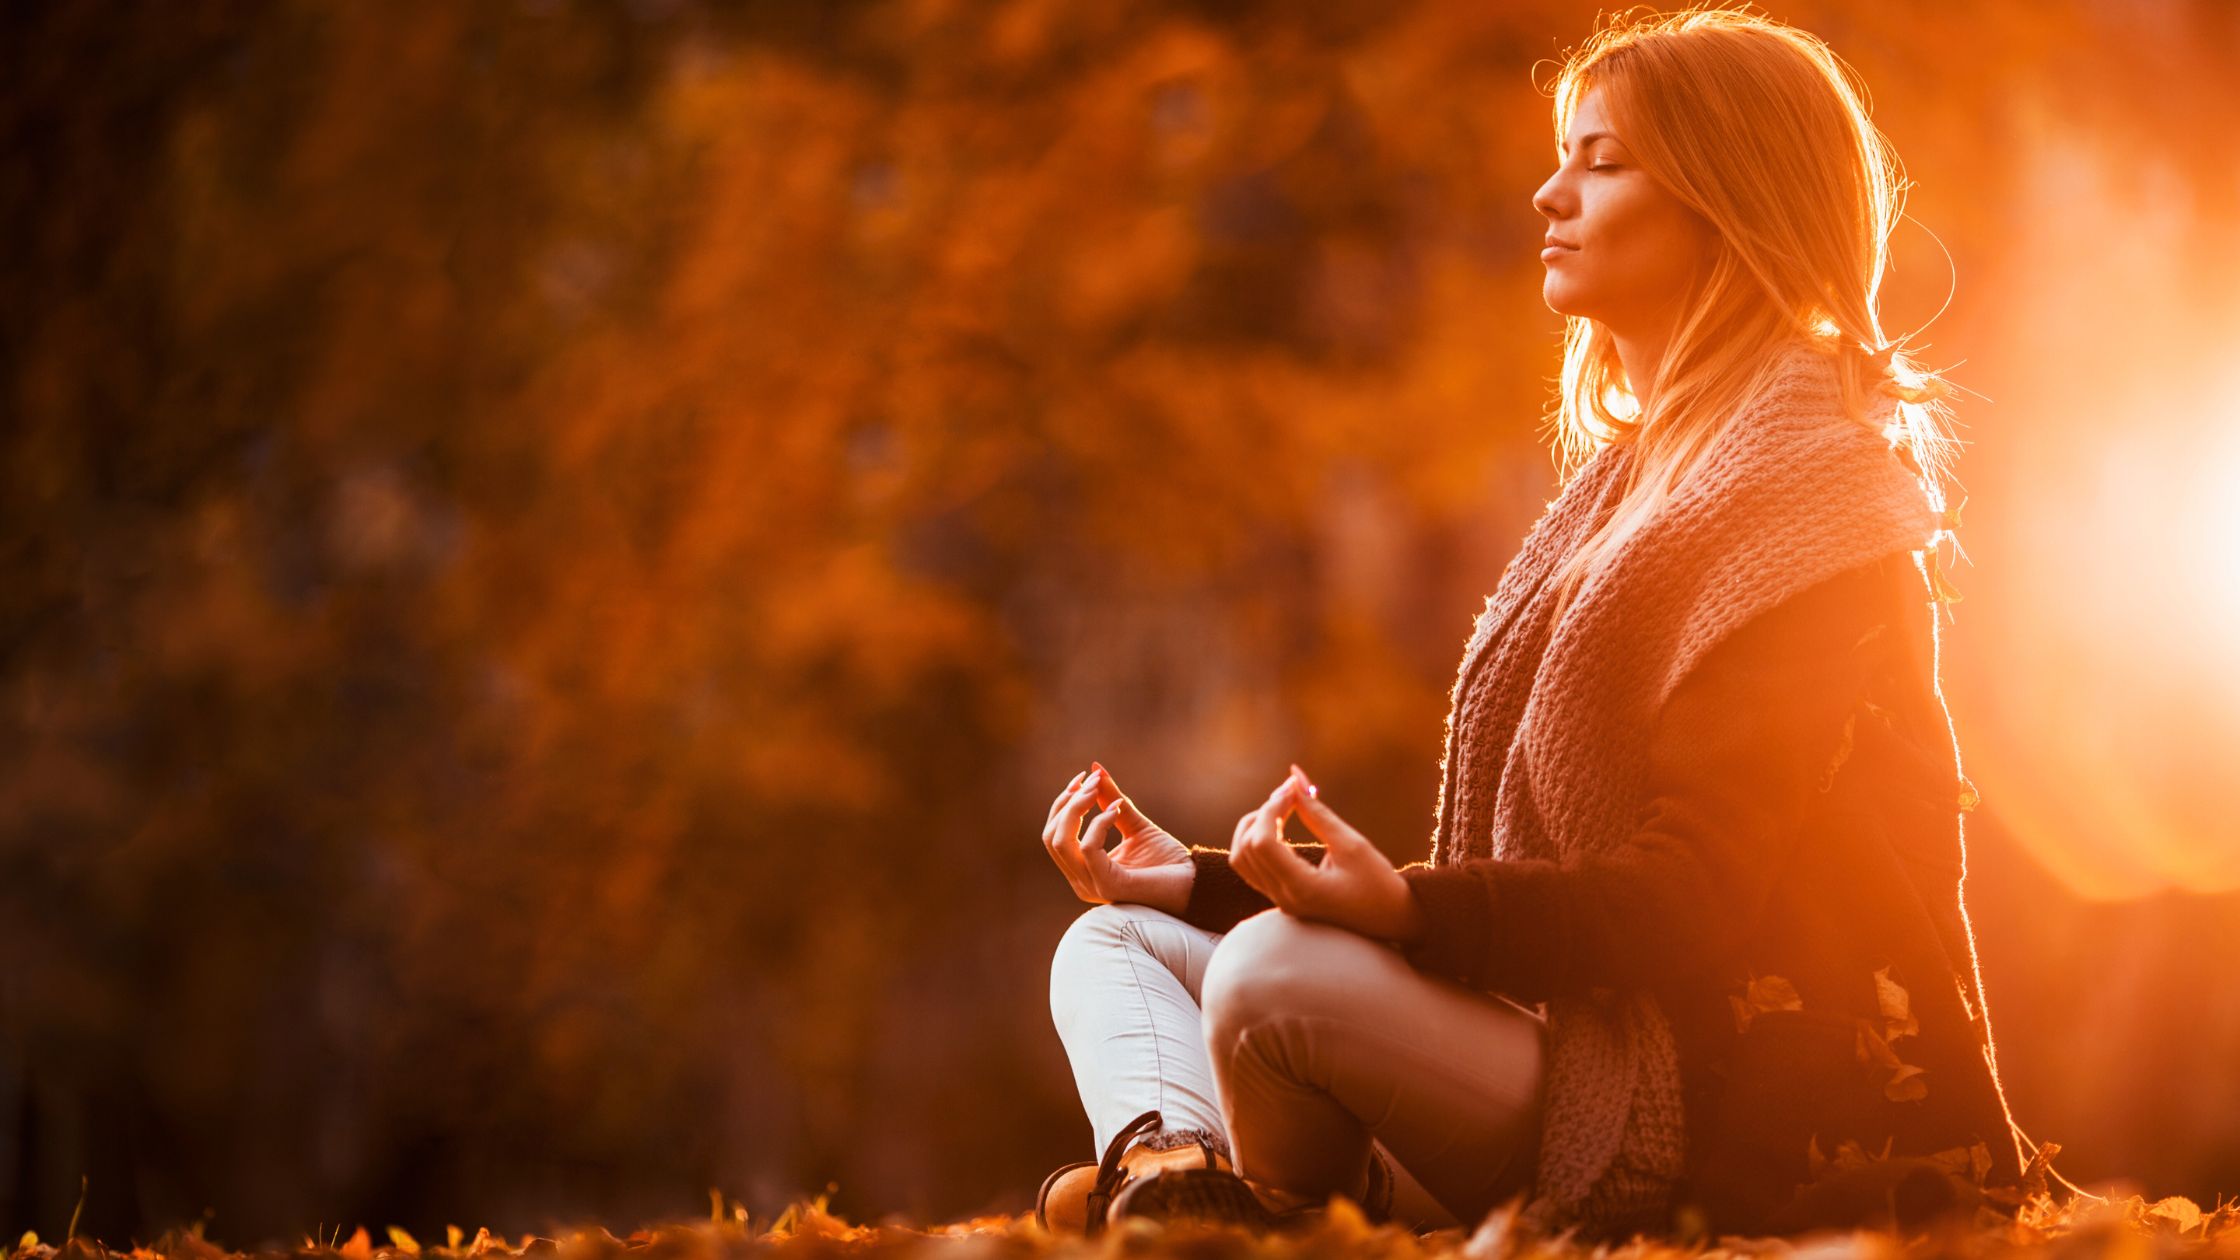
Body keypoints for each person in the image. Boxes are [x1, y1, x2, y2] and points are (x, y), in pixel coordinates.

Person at [1037, 5, 2036, 1245]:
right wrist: (1201, 879)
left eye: (1600, 161)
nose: (1545, 194)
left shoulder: (1809, 500)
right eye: (1563, 156)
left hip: (1716, 1119)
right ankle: (1173, 1175)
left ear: (1730, 198)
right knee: (1119, 938)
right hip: (1552, 1060)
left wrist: (1398, 911)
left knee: (1265, 980)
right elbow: (1513, 916)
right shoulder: (1625, 491)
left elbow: (1690, 905)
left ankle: (1245, 1226)